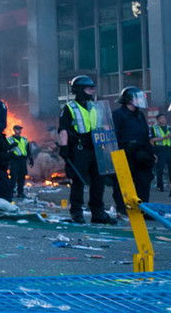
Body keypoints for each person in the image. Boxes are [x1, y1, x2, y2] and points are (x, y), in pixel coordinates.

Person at [57, 75, 116, 224]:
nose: (92, 90)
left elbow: (104, 125)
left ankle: (98, 213)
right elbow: (63, 129)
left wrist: (109, 143)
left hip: (97, 148)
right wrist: (64, 147)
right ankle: (76, 212)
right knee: (78, 181)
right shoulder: (69, 108)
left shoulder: (95, 107)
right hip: (80, 149)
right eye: (88, 88)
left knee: (98, 182)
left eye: (92, 88)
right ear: (79, 89)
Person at [113, 87, 155, 205]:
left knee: (143, 181)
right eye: (138, 98)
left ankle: (142, 208)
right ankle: (123, 208)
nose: (140, 100)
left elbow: (145, 135)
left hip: (141, 154)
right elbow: (114, 135)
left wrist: (151, 153)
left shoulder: (140, 115)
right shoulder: (117, 114)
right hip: (124, 154)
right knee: (124, 183)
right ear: (129, 100)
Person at [6, 125, 31, 199]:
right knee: (13, 177)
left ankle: (20, 193)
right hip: (14, 160)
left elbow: (28, 150)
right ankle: (10, 192)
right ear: (14, 130)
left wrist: (30, 158)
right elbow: (6, 150)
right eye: (17, 129)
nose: (19, 130)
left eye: (20, 129)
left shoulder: (24, 139)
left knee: (22, 177)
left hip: (22, 160)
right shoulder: (9, 140)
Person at [153, 112, 171, 193]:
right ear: (158, 120)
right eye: (161, 118)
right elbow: (152, 140)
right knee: (160, 169)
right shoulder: (154, 128)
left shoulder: (169, 127)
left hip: (169, 149)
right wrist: (164, 138)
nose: (163, 119)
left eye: (164, 118)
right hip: (160, 149)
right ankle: (160, 186)